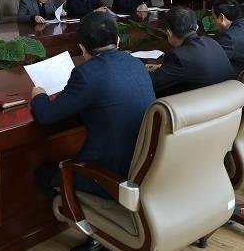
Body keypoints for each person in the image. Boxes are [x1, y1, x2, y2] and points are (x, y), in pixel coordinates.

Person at [30, 12, 155, 201]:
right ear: (118, 41)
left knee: (43, 174)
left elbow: (46, 115)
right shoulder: (136, 63)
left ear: (82, 47)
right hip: (144, 167)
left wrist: (39, 95)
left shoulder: (86, 74)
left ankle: (78, 212)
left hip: (111, 174)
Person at [147, 6, 235, 97]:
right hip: (229, 101)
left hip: (201, 104)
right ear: (196, 27)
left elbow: (150, 84)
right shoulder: (212, 42)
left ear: (169, 33)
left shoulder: (178, 56)